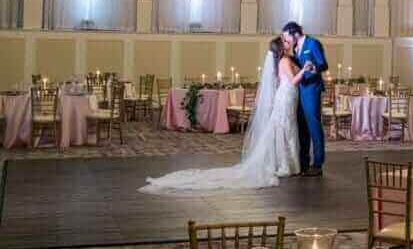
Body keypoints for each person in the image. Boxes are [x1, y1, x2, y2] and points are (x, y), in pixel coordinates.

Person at [139, 37, 309, 193]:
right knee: (284, 127)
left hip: (286, 95)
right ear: (281, 48)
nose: (288, 42)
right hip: (287, 95)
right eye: (285, 42)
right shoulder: (285, 60)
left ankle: (284, 162)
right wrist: (306, 69)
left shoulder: (282, 60)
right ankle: (285, 164)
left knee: (284, 127)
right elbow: (293, 80)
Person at [280, 21, 328, 177]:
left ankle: (318, 163)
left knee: (314, 126)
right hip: (299, 90)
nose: (287, 41)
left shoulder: (312, 43)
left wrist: (313, 68)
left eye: (288, 37)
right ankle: (304, 162)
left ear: (295, 33)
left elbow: (323, 64)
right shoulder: (295, 47)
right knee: (302, 127)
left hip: (312, 90)